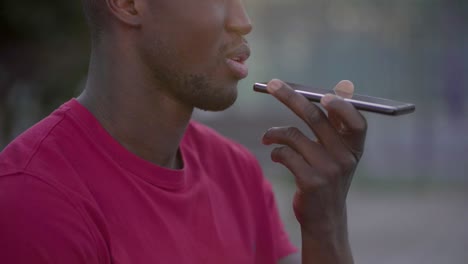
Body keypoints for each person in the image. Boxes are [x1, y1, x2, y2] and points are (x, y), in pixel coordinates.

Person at [0, 0, 367, 263]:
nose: (243, 20)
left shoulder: (236, 173)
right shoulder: (33, 202)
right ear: (127, 4)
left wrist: (325, 222)